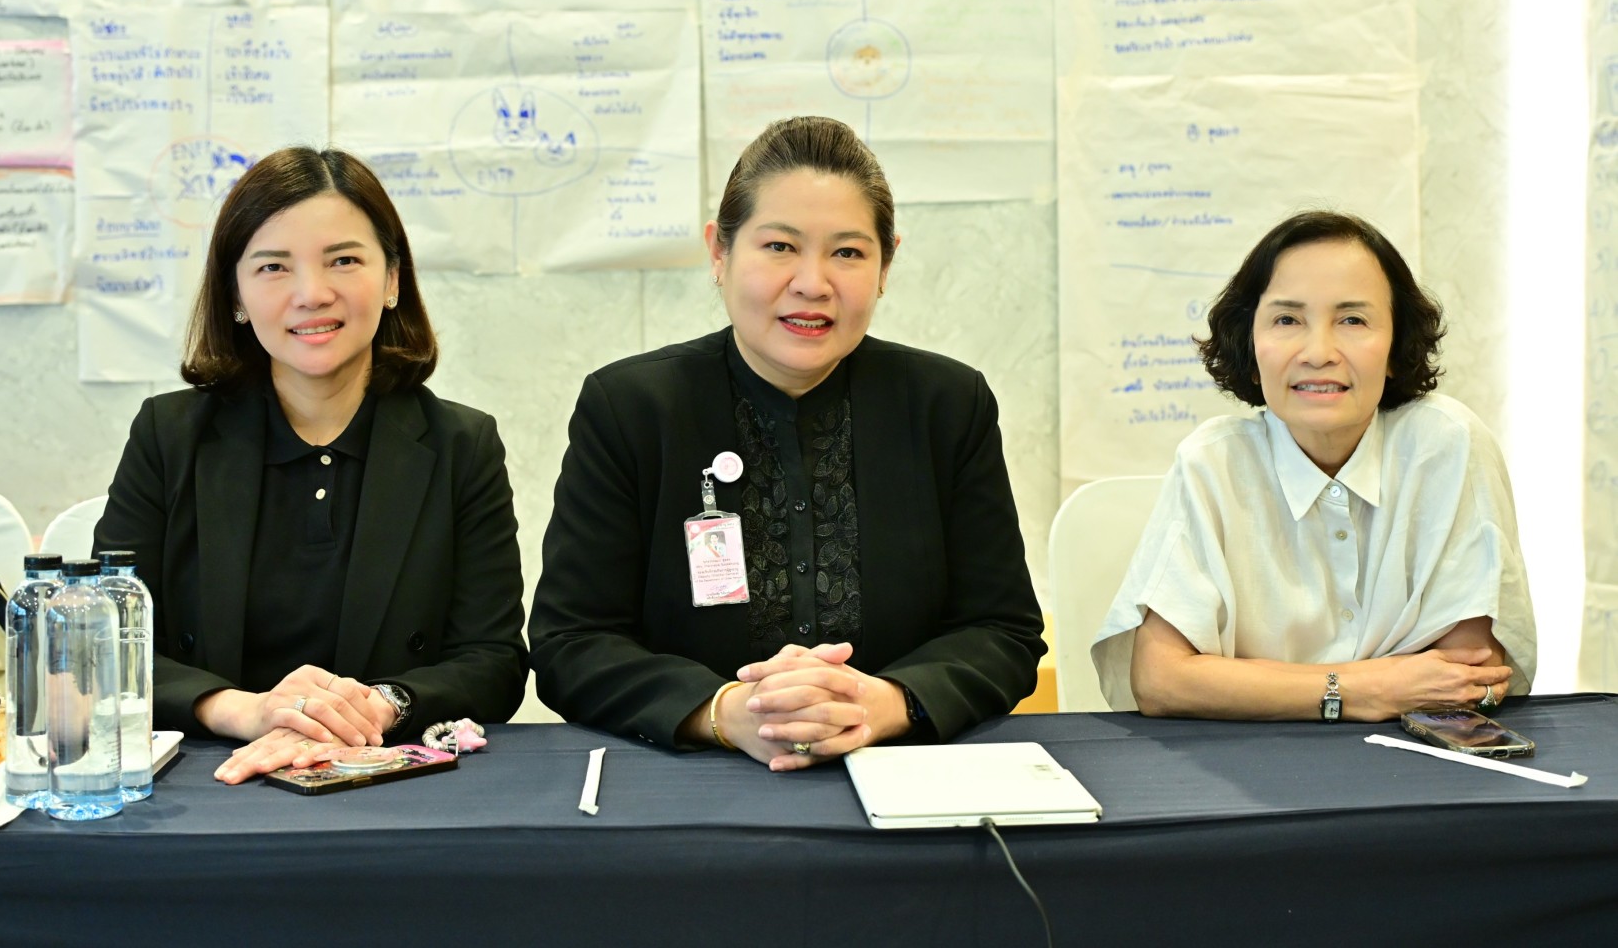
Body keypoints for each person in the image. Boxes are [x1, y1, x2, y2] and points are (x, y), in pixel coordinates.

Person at [529, 116, 1045, 770]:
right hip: (693, 778)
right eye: (779, 246)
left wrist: (880, 705)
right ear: (719, 253)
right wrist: (726, 713)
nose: (812, 283)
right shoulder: (632, 408)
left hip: (903, 773)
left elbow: (1002, 630)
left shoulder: (945, 404)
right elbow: (572, 641)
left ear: (886, 265)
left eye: (848, 253)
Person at [93, 147, 527, 782]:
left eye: (343, 260)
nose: (312, 294)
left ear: (392, 280)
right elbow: (105, 643)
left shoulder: (462, 443)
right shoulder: (169, 435)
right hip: (209, 778)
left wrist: (379, 706)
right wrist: (245, 711)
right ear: (235, 294)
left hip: (389, 775)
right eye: (273, 266)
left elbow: (494, 660)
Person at [1091, 211, 1536, 721]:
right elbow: (1160, 680)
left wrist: (1250, 686)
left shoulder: (1447, 445)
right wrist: (1364, 689)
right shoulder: (1211, 462)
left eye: (1352, 320)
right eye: (1287, 320)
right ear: (1250, 345)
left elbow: (1466, 678)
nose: (1319, 352)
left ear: (1395, 346)